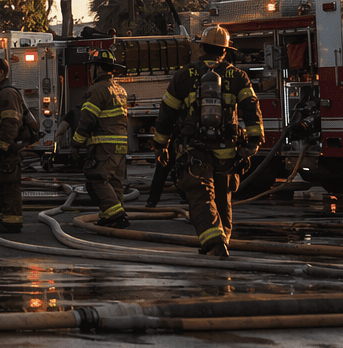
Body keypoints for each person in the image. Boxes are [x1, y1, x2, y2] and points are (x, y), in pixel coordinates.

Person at [150, 25, 263, 257]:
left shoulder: (185, 75)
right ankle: (223, 240)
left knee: (201, 196)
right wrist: (254, 141)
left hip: (195, 150)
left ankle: (215, 244)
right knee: (223, 198)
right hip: (228, 152)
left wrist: (160, 145)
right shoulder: (238, 76)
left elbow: (167, 113)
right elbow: (252, 108)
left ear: (201, 48)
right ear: (225, 51)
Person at [71, 50, 132, 228]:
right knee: (114, 183)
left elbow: (87, 120)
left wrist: (76, 143)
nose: (89, 71)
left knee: (97, 179)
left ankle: (117, 216)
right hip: (120, 146)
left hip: (103, 146)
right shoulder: (119, 89)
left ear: (97, 69)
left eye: (91, 68)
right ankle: (108, 216)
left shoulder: (97, 89)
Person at [0, 56, 38, 234]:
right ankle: (5, 219)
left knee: (8, 186)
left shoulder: (7, 93)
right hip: (3, 148)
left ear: (1, 72)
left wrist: (1, 147)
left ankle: (12, 222)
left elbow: (10, 124)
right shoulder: (0, 91)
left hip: (7, 149)